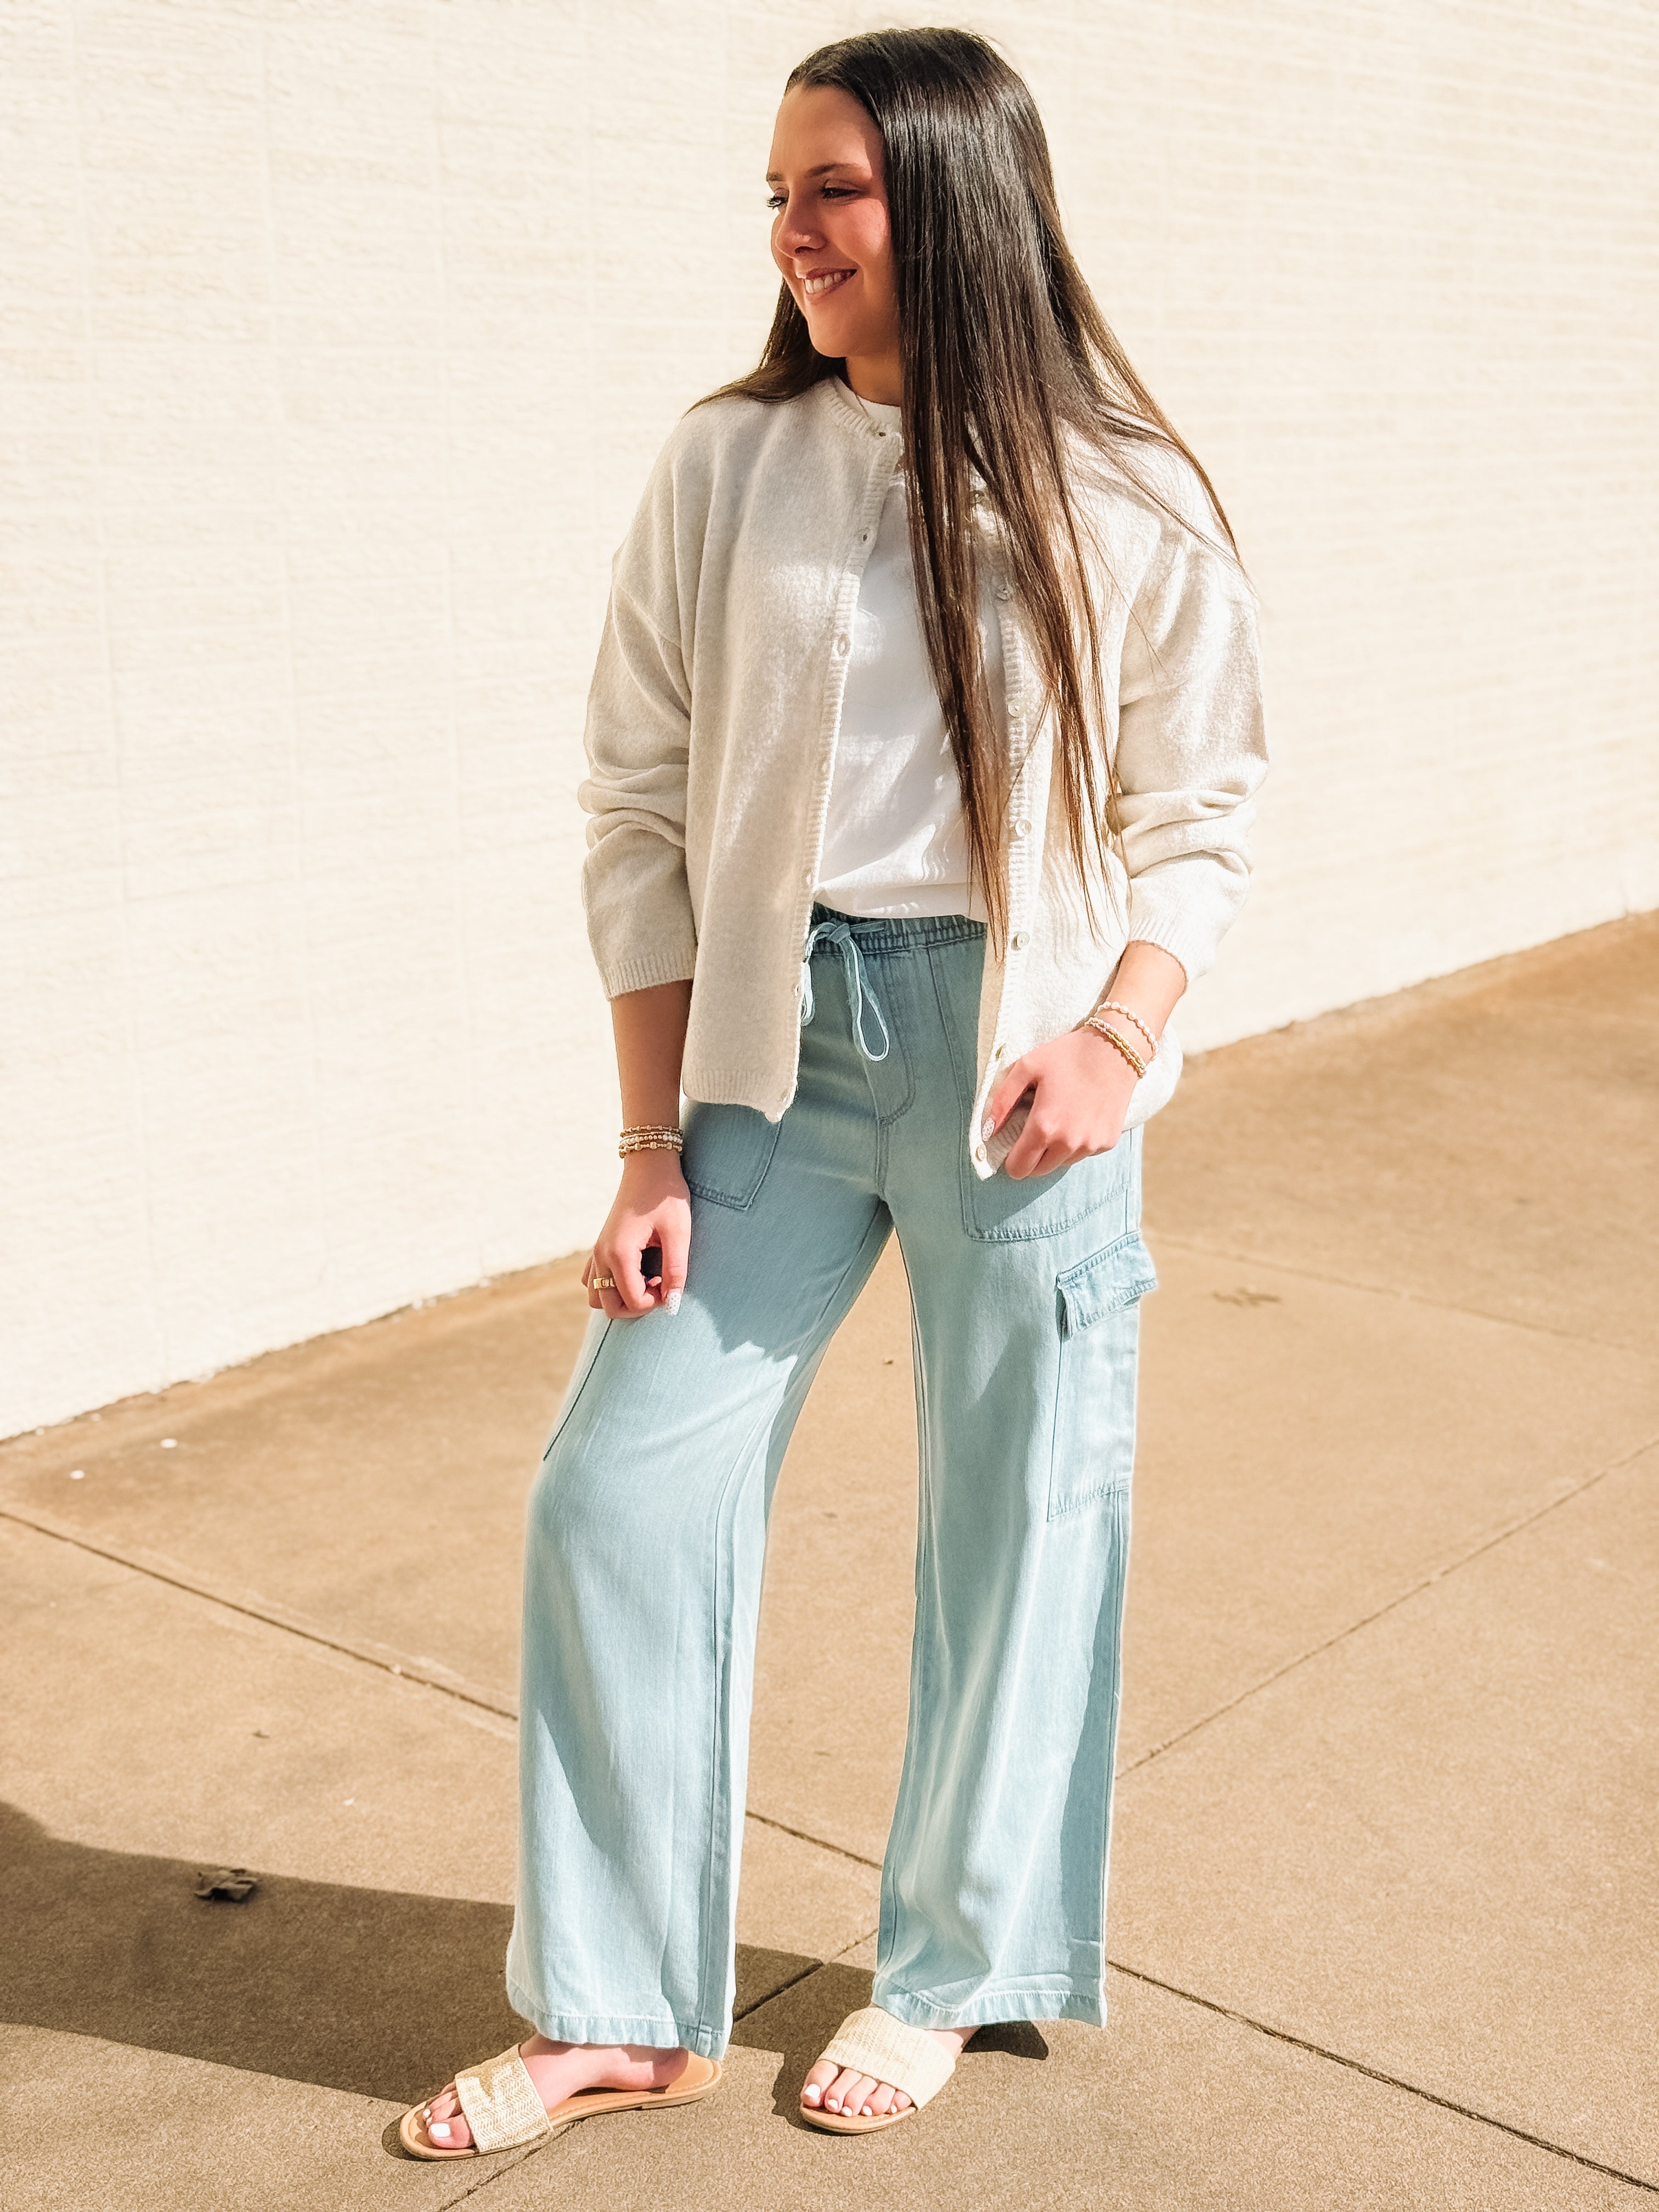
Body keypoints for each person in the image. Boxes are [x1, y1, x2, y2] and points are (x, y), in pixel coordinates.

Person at [400, 23, 1267, 2159]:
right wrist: (643, 1142)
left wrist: (1118, 1034)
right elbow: (636, 809)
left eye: (835, 192)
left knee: (1019, 1525)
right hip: (773, 1063)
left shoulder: (1120, 491)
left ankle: (948, 1969)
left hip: (1023, 1073)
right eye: (777, 193)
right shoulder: (726, 467)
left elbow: (1207, 815)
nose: (791, 230)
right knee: (617, 1492)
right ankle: (621, 2006)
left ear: (958, 205)